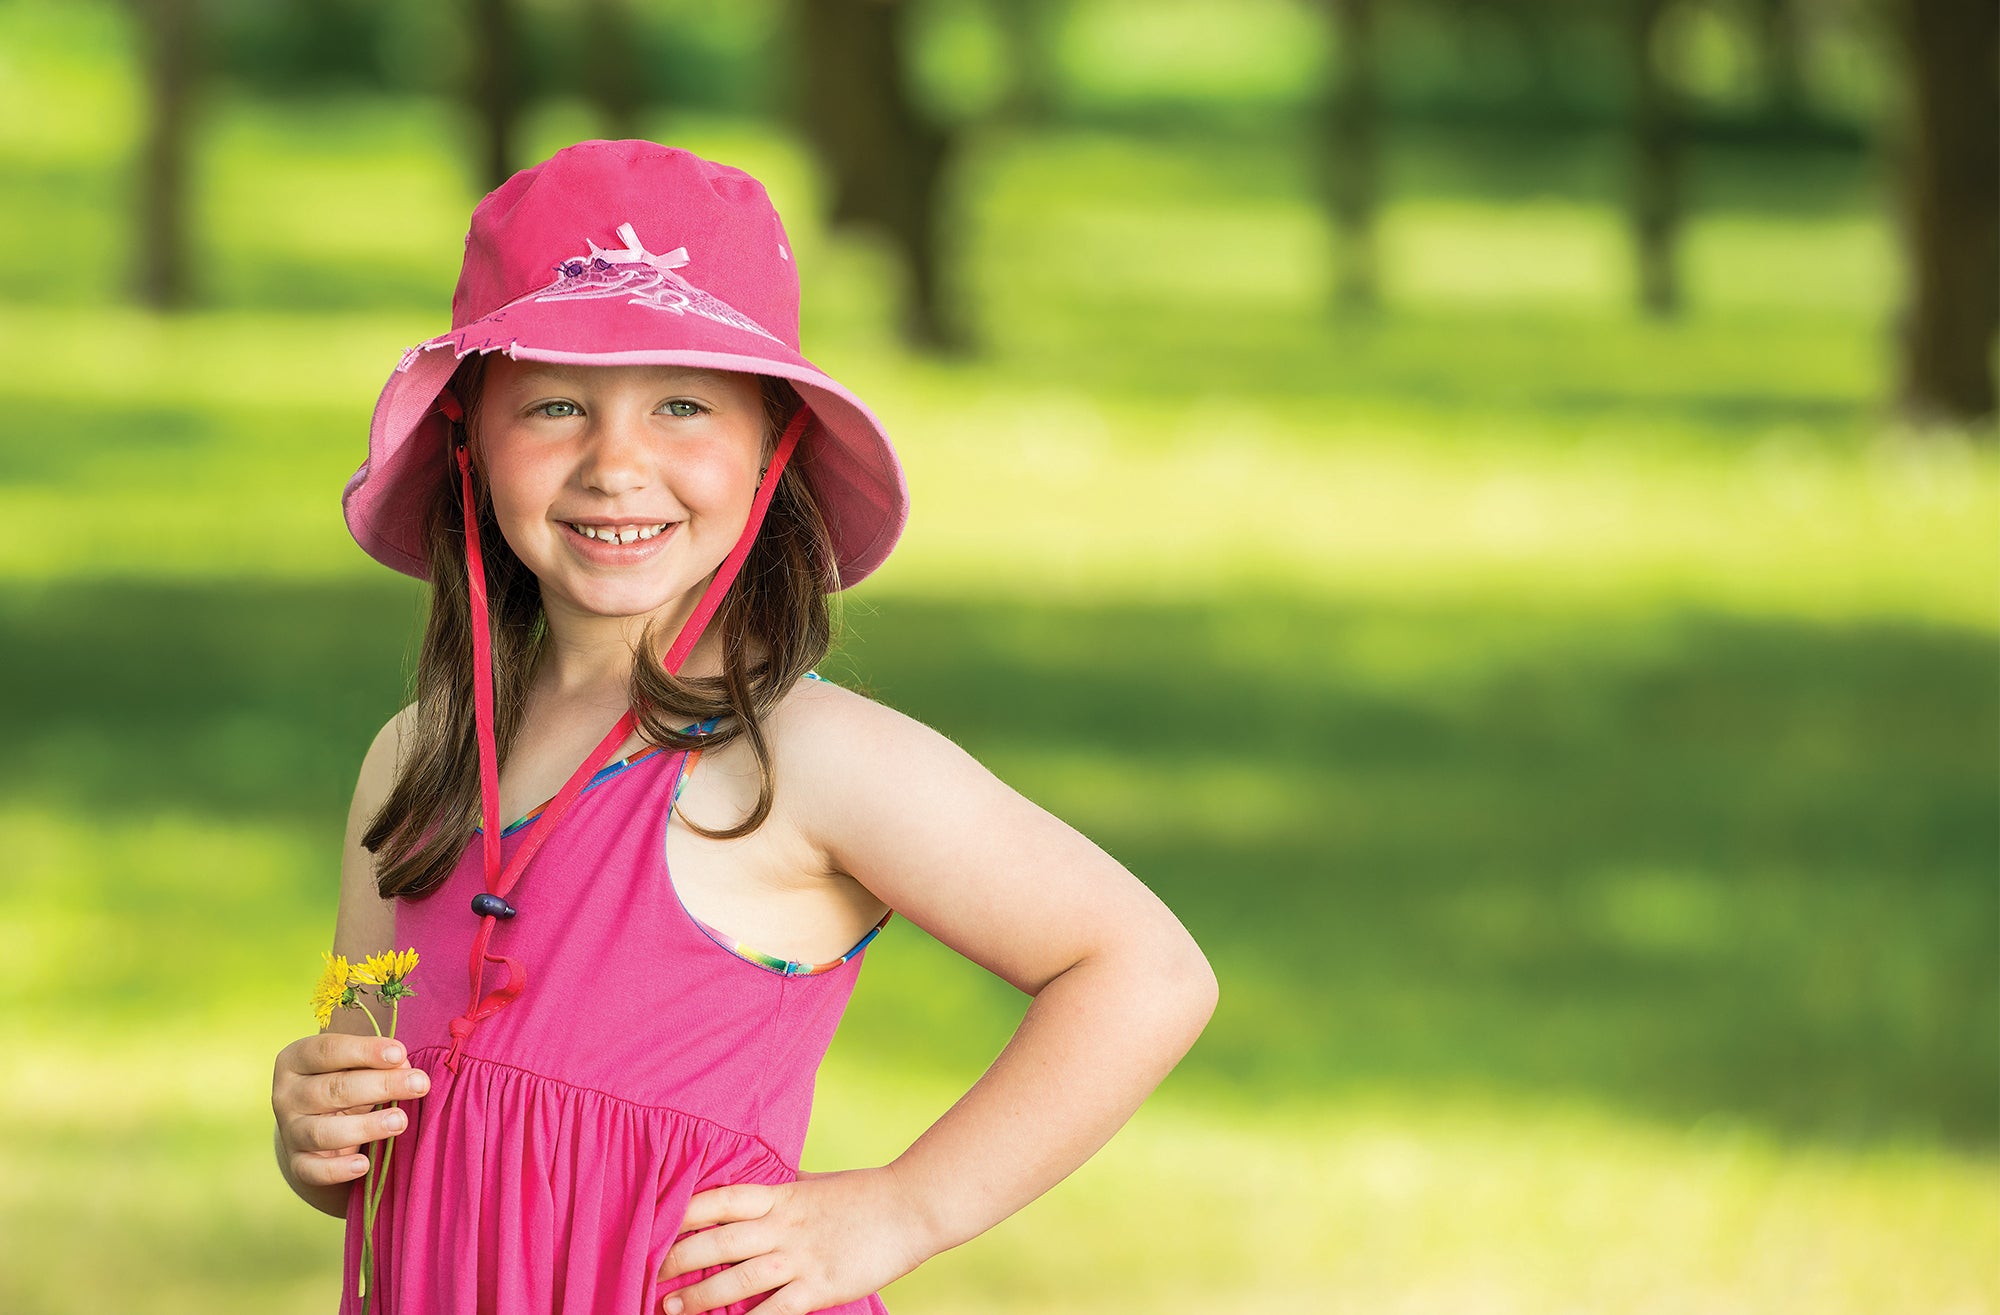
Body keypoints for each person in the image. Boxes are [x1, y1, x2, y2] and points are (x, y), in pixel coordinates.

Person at [268, 139, 1217, 1315]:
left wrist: (905, 1207)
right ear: (468, 437)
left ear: (774, 444)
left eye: (681, 405)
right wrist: (313, 1121)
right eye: (556, 404)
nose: (617, 464)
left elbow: (1144, 969)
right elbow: (378, 1094)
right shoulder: (414, 761)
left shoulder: (799, 757)